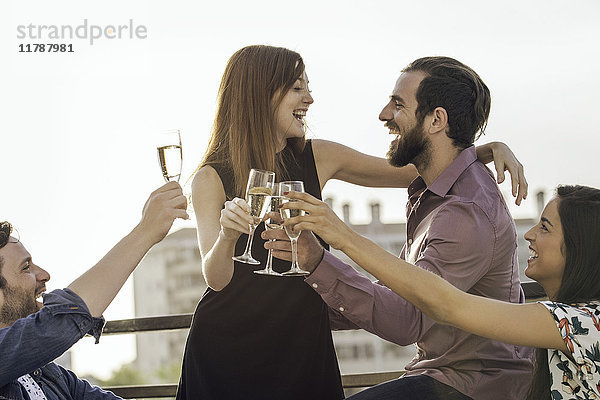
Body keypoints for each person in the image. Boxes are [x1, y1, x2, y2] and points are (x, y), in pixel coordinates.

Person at [180, 46, 527, 400]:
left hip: (301, 349)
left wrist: (485, 148)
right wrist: (227, 236)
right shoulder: (210, 178)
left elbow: (420, 160)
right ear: (259, 94)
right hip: (229, 346)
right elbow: (216, 278)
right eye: (297, 88)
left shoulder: (318, 156)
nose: (310, 98)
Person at [280, 184, 600, 399]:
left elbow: (447, 304)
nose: (529, 234)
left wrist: (342, 238)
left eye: (545, 227)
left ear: (579, 246)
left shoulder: (579, 322)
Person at [0, 181, 188, 400]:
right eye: (26, 267)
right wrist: (145, 231)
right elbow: (57, 325)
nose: (44, 274)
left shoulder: (52, 376)